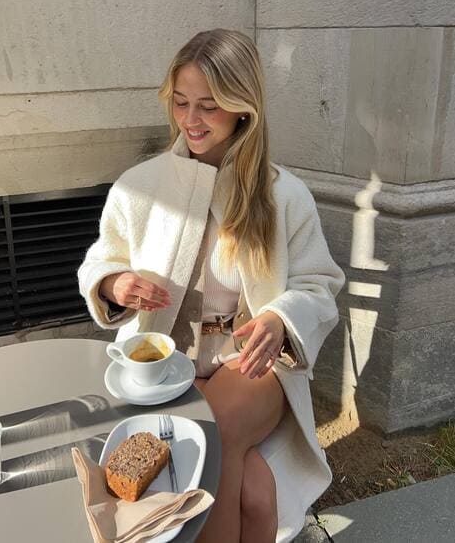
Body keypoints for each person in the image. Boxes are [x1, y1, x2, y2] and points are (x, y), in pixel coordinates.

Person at [78, 29, 345, 543]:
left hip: (249, 364)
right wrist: (116, 285)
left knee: (209, 435)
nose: (191, 120)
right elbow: (100, 262)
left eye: (209, 105)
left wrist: (280, 317)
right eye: (180, 102)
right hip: (162, 362)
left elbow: (319, 283)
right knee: (255, 496)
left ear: (244, 107)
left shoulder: (283, 195)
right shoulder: (141, 186)